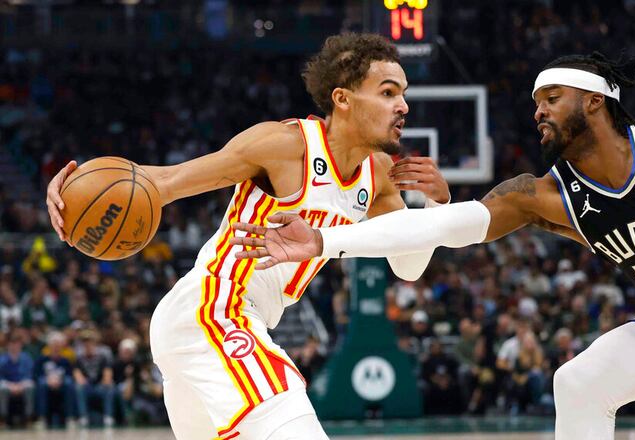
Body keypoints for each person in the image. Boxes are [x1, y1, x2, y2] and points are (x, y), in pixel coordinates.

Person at [232, 52, 635, 438]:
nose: (538, 111)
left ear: (595, 102)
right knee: (580, 383)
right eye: (535, 102)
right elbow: (433, 229)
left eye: (551, 97)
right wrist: (327, 239)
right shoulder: (543, 195)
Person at [45, 33, 450, 440]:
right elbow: (165, 181)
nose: (403, 106)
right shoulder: (283, 145)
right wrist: (70, 190)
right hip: (214, 310)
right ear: (343, 99)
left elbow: (409, 266)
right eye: (387, 92)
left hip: (226, 322)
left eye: (403, 93)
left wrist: (437, 206)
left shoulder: (378, 173)